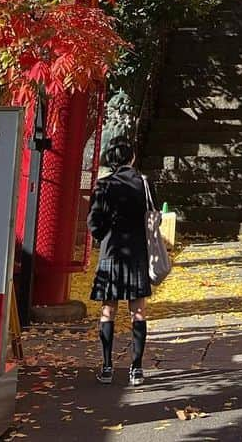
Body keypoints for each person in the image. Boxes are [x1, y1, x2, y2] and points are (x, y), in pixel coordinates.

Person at [88, 136, 157, 385]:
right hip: (137, 251)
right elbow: (154, 213)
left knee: (108, 311)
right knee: (138, 312)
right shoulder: (144, 183)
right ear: (132, 158)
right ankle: (136, 368)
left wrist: (104, 235)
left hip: (111, 252)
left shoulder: (104, 185)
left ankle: (107, 366)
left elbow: (94, 222)